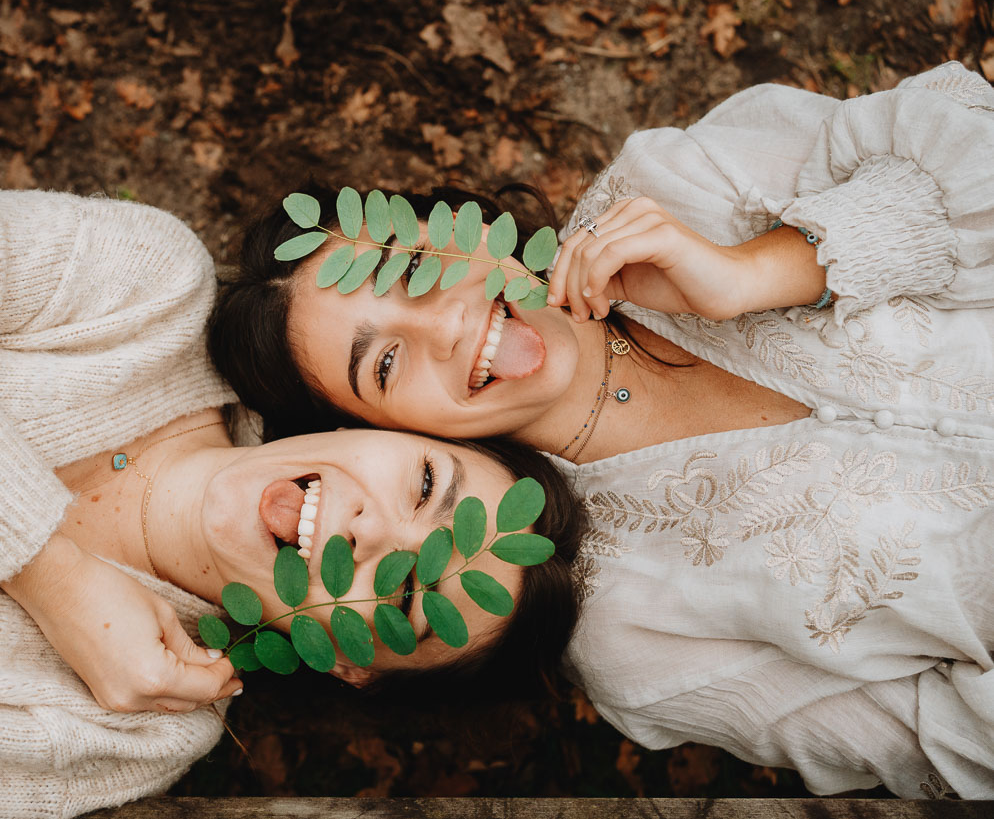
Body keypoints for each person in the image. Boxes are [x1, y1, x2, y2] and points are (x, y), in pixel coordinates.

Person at [209, 62, 994, 798]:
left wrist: (766, 270)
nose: (447, 320)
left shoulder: (665, 188)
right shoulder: (632, 638)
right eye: (383, 365)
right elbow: (953, 749)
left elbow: (969, 139)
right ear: (370, 436)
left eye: (412, 267)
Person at [0, 186, 581, 816]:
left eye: (406, 595)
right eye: (428, 486)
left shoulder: (133, 730)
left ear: (348, 661)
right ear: (379, 422)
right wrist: (42, 567)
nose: (374, 529)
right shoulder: (145, 296)